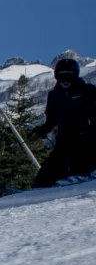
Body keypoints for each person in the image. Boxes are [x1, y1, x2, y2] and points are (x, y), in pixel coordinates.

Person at [34, 56, 96, 188]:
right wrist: (42, 130)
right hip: (64, 138)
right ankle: (41, 187)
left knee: (80, 161)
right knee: (46, 174)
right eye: (62, 77)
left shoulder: (87, 90)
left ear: (76, 76)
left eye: (69, 77)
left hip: (86, 137)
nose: (65, 81)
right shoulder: (54, 95)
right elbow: (52, 119)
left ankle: (85, 174)